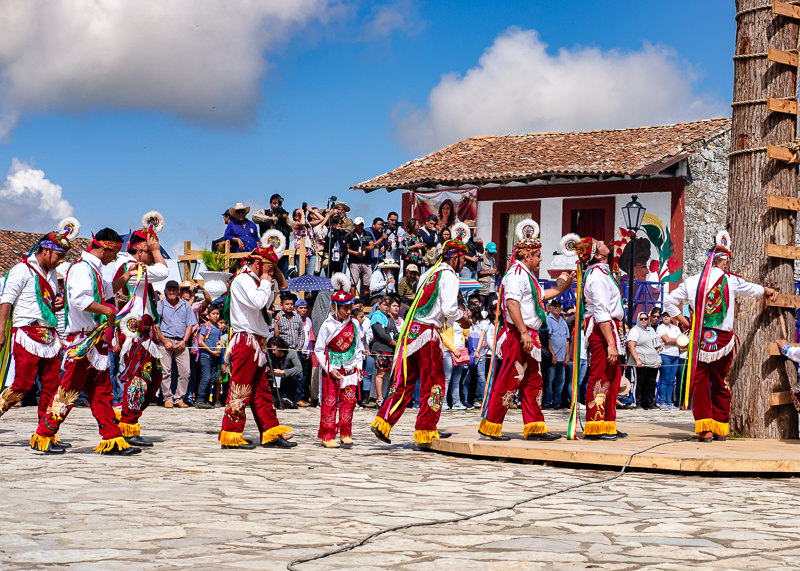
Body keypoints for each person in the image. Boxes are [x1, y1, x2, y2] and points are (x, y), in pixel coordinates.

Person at [32, 228, 142, 455]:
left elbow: (107, 290)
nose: (115, 258)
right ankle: (43, 435)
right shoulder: (82, 268)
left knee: (102, 392)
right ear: (107, 248)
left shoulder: (95, 269)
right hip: (82, 341)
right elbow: (82, 300)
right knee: (68, 391)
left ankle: (112, 438)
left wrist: (127, 276)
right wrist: (108, 311)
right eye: (114, 253)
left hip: (95, 341)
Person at [664, 230, 776, 442]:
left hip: (699, 339)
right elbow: (752, 289)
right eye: (726, 262)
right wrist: (767, 290)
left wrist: (686, 322)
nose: (727, 265)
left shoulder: (692, 282)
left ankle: (704, 428)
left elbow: (669, 301)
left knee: (699, 383)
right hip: (723, 341)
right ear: (722, 262)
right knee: (721, 382)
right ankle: (720, 427)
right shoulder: (730, 281)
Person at [371, 224, 473, 445]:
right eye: (463, 259)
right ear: (454, 257)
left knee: (405, 381)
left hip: (411, 331)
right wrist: (463, 318)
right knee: (434, 381)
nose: (464, 263)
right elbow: (448, 310)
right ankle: (426, 429)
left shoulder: (429, 273)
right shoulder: (450, 276)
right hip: (427, 333)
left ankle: (383, 421)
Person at [479, 219, 574, 442]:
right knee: (510, 379)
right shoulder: (516, 275)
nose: (541, 259)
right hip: (519, 336)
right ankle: (490, 425)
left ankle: (535, 427)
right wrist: (522, 332)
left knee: (534, 381)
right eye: (538, 255)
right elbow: (512, 304)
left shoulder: (528, 276)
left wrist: (563, 288)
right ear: (527, 255)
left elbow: (542, 297)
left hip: (529, 336)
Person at [0, 218, 78, 450]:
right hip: (26, 332)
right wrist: (1, 330)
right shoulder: (21, 270)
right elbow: (6, 301)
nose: (61, 261)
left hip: (49, 334)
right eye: (59, 255)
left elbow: (45, 304)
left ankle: (44, 434)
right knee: (22, 384)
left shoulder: (52, 275)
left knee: (52, 387)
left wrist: (56, 308)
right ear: (45, 250)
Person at [219, 244, 296, 449]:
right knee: (240, 390)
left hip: (257, 342)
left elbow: (282, 287)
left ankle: (270, 431)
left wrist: (270, 275)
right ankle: (231, 434)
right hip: (245, 340)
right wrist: (264, 281)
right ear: (257, 264)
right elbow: (258, 302)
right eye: (269, 267)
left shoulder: (257, 279)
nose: (271, 272)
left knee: (261, 391)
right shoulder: (243, 279)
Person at [563, 232, 626, 441]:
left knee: (613, 377)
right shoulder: (598, 277)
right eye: (599, 244)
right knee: (599, 375)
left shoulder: (604, 273)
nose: (604, 242)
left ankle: (608, 423)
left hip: (610, 328)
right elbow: (601, 312)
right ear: (597, 255)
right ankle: (594, 424)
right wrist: (610, 344)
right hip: (602, 329)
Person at [113, 217, 170, 446]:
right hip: (133, 332)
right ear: (140, 251)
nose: (154, 255)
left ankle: (126, 416)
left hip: (144, 333)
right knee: (137, 379)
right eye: (150, 251)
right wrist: (156, 249)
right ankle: (128, 424)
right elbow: (164, 272)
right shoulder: (132, 267)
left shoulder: (137, 268)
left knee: (152, 378)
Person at [314, 273, 365, 448]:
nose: (348, 311)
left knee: (349, 402)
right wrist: (329, 369)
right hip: (333, 368)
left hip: (350, 368)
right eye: (345, 308)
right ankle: (327, 435)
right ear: (335, 307)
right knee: (329, 402)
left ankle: (345, 432)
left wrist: (358, 367)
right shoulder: (327, 326)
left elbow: (358, 348)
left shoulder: (355, 325)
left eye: (350, 307)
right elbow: (319, 350)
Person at [156, 280, 197, 408]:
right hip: (165, 340)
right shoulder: (160, 305)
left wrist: (184, 341)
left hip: (181, 341)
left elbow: (190, 325)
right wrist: (164, 341)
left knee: (185, 371)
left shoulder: (185, 305)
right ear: (165, 291)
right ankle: (167, 398)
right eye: (170, 289)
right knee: (165, 371)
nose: (172, 291)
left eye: (174, 289)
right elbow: (156, 326)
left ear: (178, 291)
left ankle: (179, 398)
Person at [274, 292, 306, 406]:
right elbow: (276, 335)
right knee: (283, 376)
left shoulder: (297, 316)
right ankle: (283, 398)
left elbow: (301, 332)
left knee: (298, 374)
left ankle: (297, 398)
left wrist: (300, 346)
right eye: (287, 304)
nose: (290, 306)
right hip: (283, 351)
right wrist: (276, 323)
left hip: (294, 350)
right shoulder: (278, 317)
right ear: (282, 305)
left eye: (291, 304)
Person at [626, 311, 662, 410]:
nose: (643, 320)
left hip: (653, 362)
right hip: (641, 362)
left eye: (645, 319)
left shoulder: (651, 330)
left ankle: (650, 403)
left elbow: (656, 344)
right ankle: (638, 403)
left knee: (651, 383)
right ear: (638, 319)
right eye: (641, 319)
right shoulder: (635, 330)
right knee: (640, 383)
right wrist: (637, 360)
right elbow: (631, 345)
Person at [370, 296, 398, 408]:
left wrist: (399, 341)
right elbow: (381, 334)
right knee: (380, 374)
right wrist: (395, 343)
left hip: (391, 349)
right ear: (379, 305)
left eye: (388, 305)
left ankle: (390, 397)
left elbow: (395, 332)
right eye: (385, 305)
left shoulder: (389, 318)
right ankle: (380, 398)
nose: (386, 308)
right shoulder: (376, 317)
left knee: (392, 375)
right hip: (381, 348)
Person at [196, 305, 223, 409]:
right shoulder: (205, 327)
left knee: (212, 379)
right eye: (213, 314)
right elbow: (200, 342)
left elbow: (219, 339)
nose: (216, 316)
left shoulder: (218, 328)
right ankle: (200, 399)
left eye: (217, 314)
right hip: (206, 356)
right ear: (208, 315)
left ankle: (207, 400)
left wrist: (220, 343)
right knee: (206, 378)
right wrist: (211, 351)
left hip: (215, 357)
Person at [545, 300, 570, 409]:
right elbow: (548, 338)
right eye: (555, 306)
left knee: (561, 382)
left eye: (559, 306)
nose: (557, 308)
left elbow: (567, 340)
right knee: (549, 381)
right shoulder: (548, 320)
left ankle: (557, 402)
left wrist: (567, 355)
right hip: (552, 357)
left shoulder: (563, 322)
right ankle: (547, 402)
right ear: (550, 308)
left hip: (562, 357)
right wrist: (552, 354)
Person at [656, 313, 682, 410]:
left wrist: (673, 340)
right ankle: (663, 401)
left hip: (675, 355)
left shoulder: (676, 328)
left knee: (671, 380)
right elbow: (666, 340)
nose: (665, 317)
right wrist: (677, 340)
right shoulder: (661, 328)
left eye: (667, 316)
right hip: (665, 354)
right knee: (665, 379)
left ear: (671, 317)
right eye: (664, 316)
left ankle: (669, 402)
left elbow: (682, 341)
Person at [346, 217, 374, 300]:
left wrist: (366, 248)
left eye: (361, 225)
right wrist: (355, 253)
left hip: (366, 261)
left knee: (367, 283)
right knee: (353, 283)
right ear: (354, 225)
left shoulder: (367, 234)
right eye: (358, 225)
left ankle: (366, 301)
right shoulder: (350, 236)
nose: (360, 227)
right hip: (354, 262)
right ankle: (352, 301)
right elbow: (346, 249)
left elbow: (372, 246)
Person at [295, 299, 314, 407]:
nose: (303, 310)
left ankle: (305, 395)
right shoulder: (295, 319)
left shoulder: (308, 320)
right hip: (298, 349)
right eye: (301, 308)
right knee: (299, 375)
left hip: (307, 350)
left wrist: (309, 352)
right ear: (296, 309)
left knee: (306, 376)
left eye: (305, 308)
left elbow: (309, 336)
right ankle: (298, 397)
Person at [476, 241, 498, 310]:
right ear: (486, 250)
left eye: (493, 252)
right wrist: (490, 272)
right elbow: (478, 272)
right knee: (481, 309)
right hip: (483, 289)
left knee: (490, 309)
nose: (492, 253)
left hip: (492, 289)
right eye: (490, 252)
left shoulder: (493, 259)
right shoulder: (481, 259)